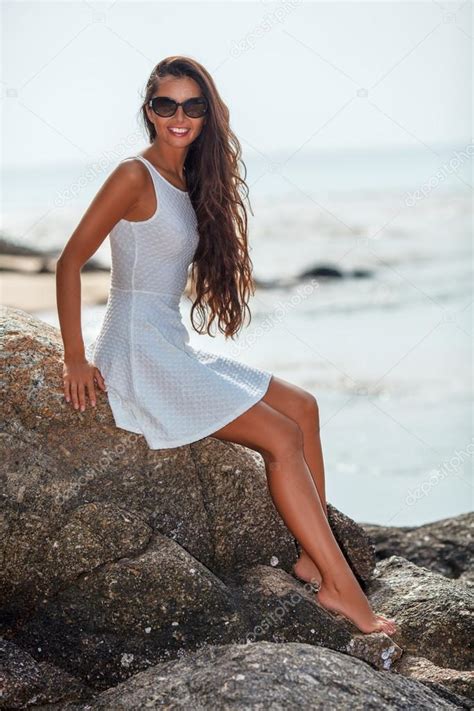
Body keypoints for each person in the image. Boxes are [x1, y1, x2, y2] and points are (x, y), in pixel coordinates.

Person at [56, 55, 398, 637]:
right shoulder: (132, 176)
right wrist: (74, 357)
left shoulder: (192, 179)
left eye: (193, 105)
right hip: (137, 349)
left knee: (304, 407)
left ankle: (314, 559)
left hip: (169, 343)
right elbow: (68, 262)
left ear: (207, 114)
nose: (179, 116)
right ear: (149, 111)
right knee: (281, 438)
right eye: (167, 105)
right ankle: (342, 592)